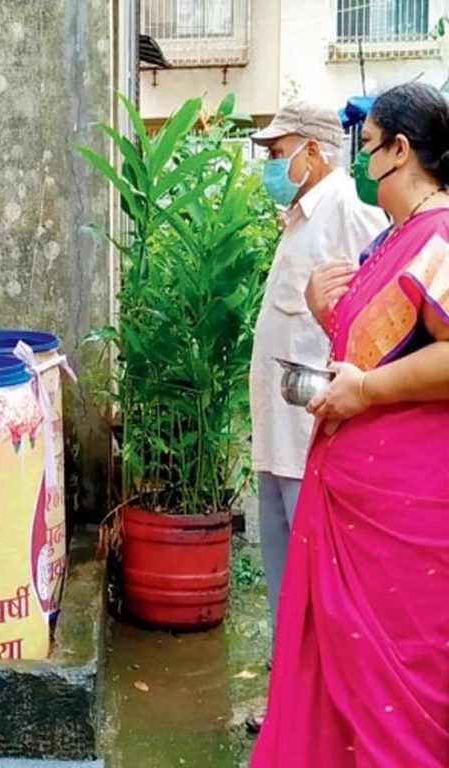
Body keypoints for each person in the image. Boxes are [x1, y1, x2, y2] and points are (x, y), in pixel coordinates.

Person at [251, 82, 449, 767]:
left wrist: (367, 391)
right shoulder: (398, 239)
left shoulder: (440, 237)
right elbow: (373, 348)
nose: (361, 164)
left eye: (368, 149)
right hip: (353, 494)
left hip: (402, 510)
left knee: (395, 693)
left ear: (402, 150)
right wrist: (320, 309)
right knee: (338, 679)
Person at [246, 100, 387, 729]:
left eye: (281, 154)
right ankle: (288, 707)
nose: (274, 166)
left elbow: (382, 302)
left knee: (315, 585)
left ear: (315, 152)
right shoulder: (300, 216)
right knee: (283, 581)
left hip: (310, 434)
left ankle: (321, 712)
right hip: (278, 439)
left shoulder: (347, 213)